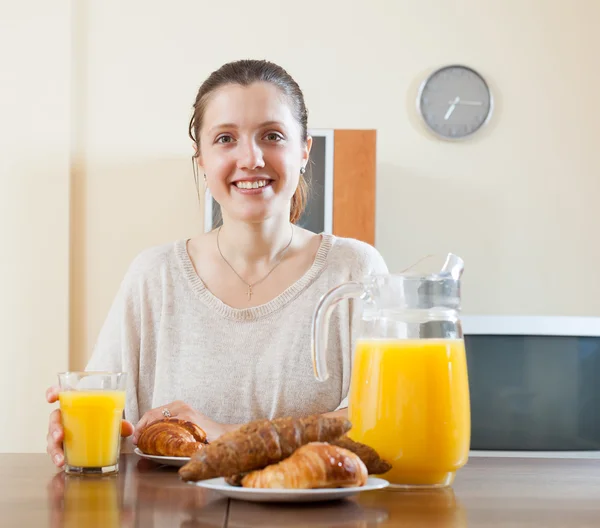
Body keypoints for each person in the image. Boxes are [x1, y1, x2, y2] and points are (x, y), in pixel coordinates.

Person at [45, 59, 388, 468]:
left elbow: (378, 421)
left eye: (272, 135)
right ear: (201, 158)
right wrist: (74, 424)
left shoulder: (355, 270)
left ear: (303, 150)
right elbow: (110, 414)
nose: (251, 159)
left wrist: (219, 433)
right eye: (225, 138)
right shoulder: (154, 276)